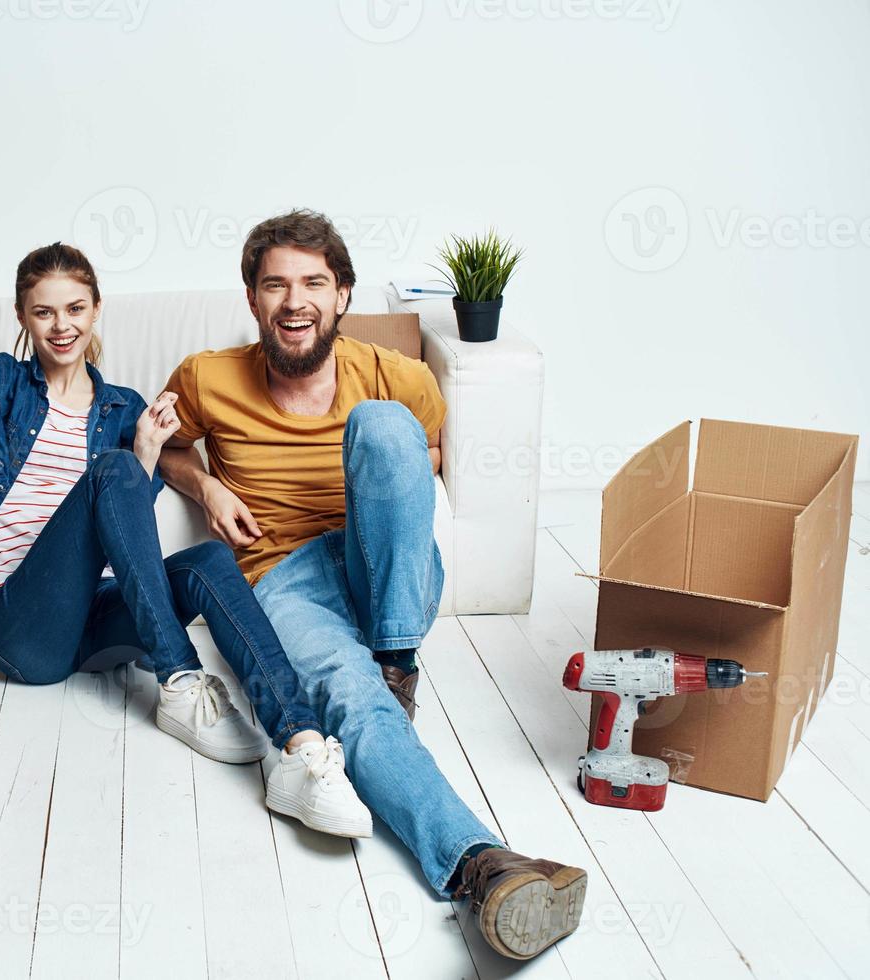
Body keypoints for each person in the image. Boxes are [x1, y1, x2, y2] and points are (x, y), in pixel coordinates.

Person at [157, 210, 588, 961]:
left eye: (313, 283)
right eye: (276, 285)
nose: (295, 302)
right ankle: (481, 868)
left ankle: (395, 658)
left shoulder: (395, 375)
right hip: (283, 580)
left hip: (381, 568)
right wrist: (204, 486)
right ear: (253, 298)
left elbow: (428, 453)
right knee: (348, 702)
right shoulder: (205, 376)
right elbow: (165, 446)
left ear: (342, 294)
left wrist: (371, 504)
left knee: (386, 428)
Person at [0, 242, 370, 838]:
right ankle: (182, 682)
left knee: (209, 559)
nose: (62, 327)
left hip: (92, 618)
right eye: (44, 312)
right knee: (112, 470)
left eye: (76, 309)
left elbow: (125, 530)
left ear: (96, 309)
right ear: (21, 316)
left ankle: (298, 744)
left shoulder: (123, 408)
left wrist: (147, 455)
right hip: (17, 625)